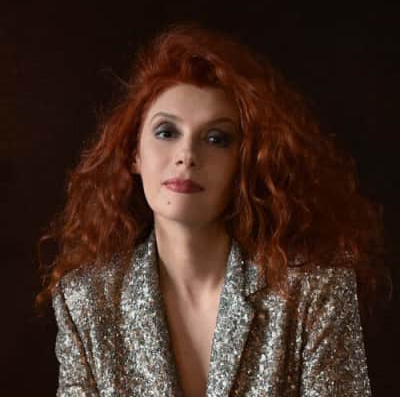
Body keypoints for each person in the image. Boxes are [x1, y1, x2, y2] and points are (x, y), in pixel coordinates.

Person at [36, 22, 389, 396]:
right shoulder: (86, 301)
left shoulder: (314, 292)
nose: (187, 155)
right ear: (134, 153)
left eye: (216, 138)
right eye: (166, 132)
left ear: (246, 162)